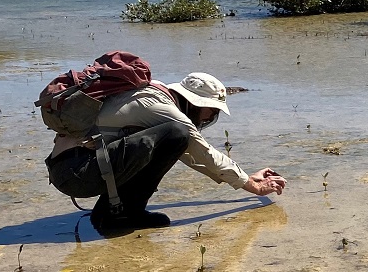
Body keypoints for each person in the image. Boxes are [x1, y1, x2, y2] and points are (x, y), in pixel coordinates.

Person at [46, 71, 285, 233]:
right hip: (77, 174)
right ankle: (122, 215)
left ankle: (109, 213)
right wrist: (252, 186)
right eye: (211, 112)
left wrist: (245, 177)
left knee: (176, 137)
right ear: (196, 103)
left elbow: (189, 154)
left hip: (72, 168)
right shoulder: (162, 109)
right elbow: (202, 151)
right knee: (178, 133)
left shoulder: (154, 93)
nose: (211, 118)